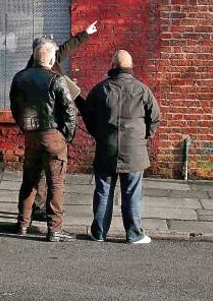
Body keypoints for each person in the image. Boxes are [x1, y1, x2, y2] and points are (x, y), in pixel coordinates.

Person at [84, 50, 161, 245]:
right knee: (132, 192)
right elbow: (155, 117)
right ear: (131, 66)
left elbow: (88, 115)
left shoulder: (100, 89)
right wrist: (145, 137)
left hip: (106, 148)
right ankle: (134, 234)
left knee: (103, 190)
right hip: (134, 150)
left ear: (113, 65)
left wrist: (98, 134)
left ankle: (99, 232)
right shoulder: (142, 90)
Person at [27, 22, 98, 221]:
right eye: (52, 50)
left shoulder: (47, 64)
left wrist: (86, 33)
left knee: (41, 172)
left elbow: (68, 47)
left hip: (41, 128)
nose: (56, 53)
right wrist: (67, 132)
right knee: (47, 173)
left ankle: (30, 214)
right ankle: (43, 212)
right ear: (43, 53)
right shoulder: (33, 74)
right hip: (49, 128)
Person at [10, 41, 78, 242]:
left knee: (29, 181)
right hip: (53, 135)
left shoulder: (20, 77)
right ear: (49, 59)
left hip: (31, 135)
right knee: (55, 183)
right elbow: (70, 112)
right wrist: (67, 136)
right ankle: (54, 229)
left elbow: (15, 107)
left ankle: (23, 223)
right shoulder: (55, 80)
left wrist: (24, 127)